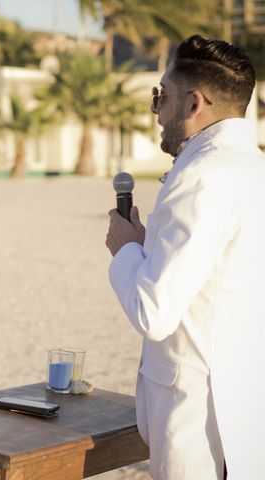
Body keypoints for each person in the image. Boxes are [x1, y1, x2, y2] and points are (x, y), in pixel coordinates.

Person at [106, 35, 265, 479]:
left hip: (196, 410)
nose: (157, 112)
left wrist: (125, 250)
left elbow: (154, 311)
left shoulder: (200, 176)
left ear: (193, 103)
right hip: (247, 398)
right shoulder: (254, 168)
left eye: (161, 97)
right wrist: (144, 245)